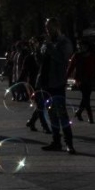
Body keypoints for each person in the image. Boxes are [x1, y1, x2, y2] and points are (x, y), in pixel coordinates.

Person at [38, 18, 76, 154]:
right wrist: (38, 49)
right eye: (46, 27)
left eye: (50, 27)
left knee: (61, 113)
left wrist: (48, 46)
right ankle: (56, 141)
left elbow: (62, 58)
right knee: (51, 113)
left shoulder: (64, 42)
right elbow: (41, 61)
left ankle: (69, 143)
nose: (48, 30)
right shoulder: (48, 42)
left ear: (57, 26)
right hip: (45, 82)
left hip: (57, 82)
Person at [67, 39, 95, 123]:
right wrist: (65, 78)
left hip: (90, 79)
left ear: (88, 47)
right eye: (80, 46)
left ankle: (79, 112)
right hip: (80, 80)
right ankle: (90, 116)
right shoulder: (77, 56)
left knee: (85, 98)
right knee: (86, 97)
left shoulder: (93, 56)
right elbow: (70, 68)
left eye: (84, 46)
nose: (82, 47)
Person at [23, 37, 51, 133]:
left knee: (42, 105)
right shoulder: (29, 57)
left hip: (43, 82)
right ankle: (45, 127)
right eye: (32, 45)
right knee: (40, 105)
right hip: (33, 84)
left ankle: (32, 121)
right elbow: (24, 71)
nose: (35, 47)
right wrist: (19, 82)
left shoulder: (43, 57)